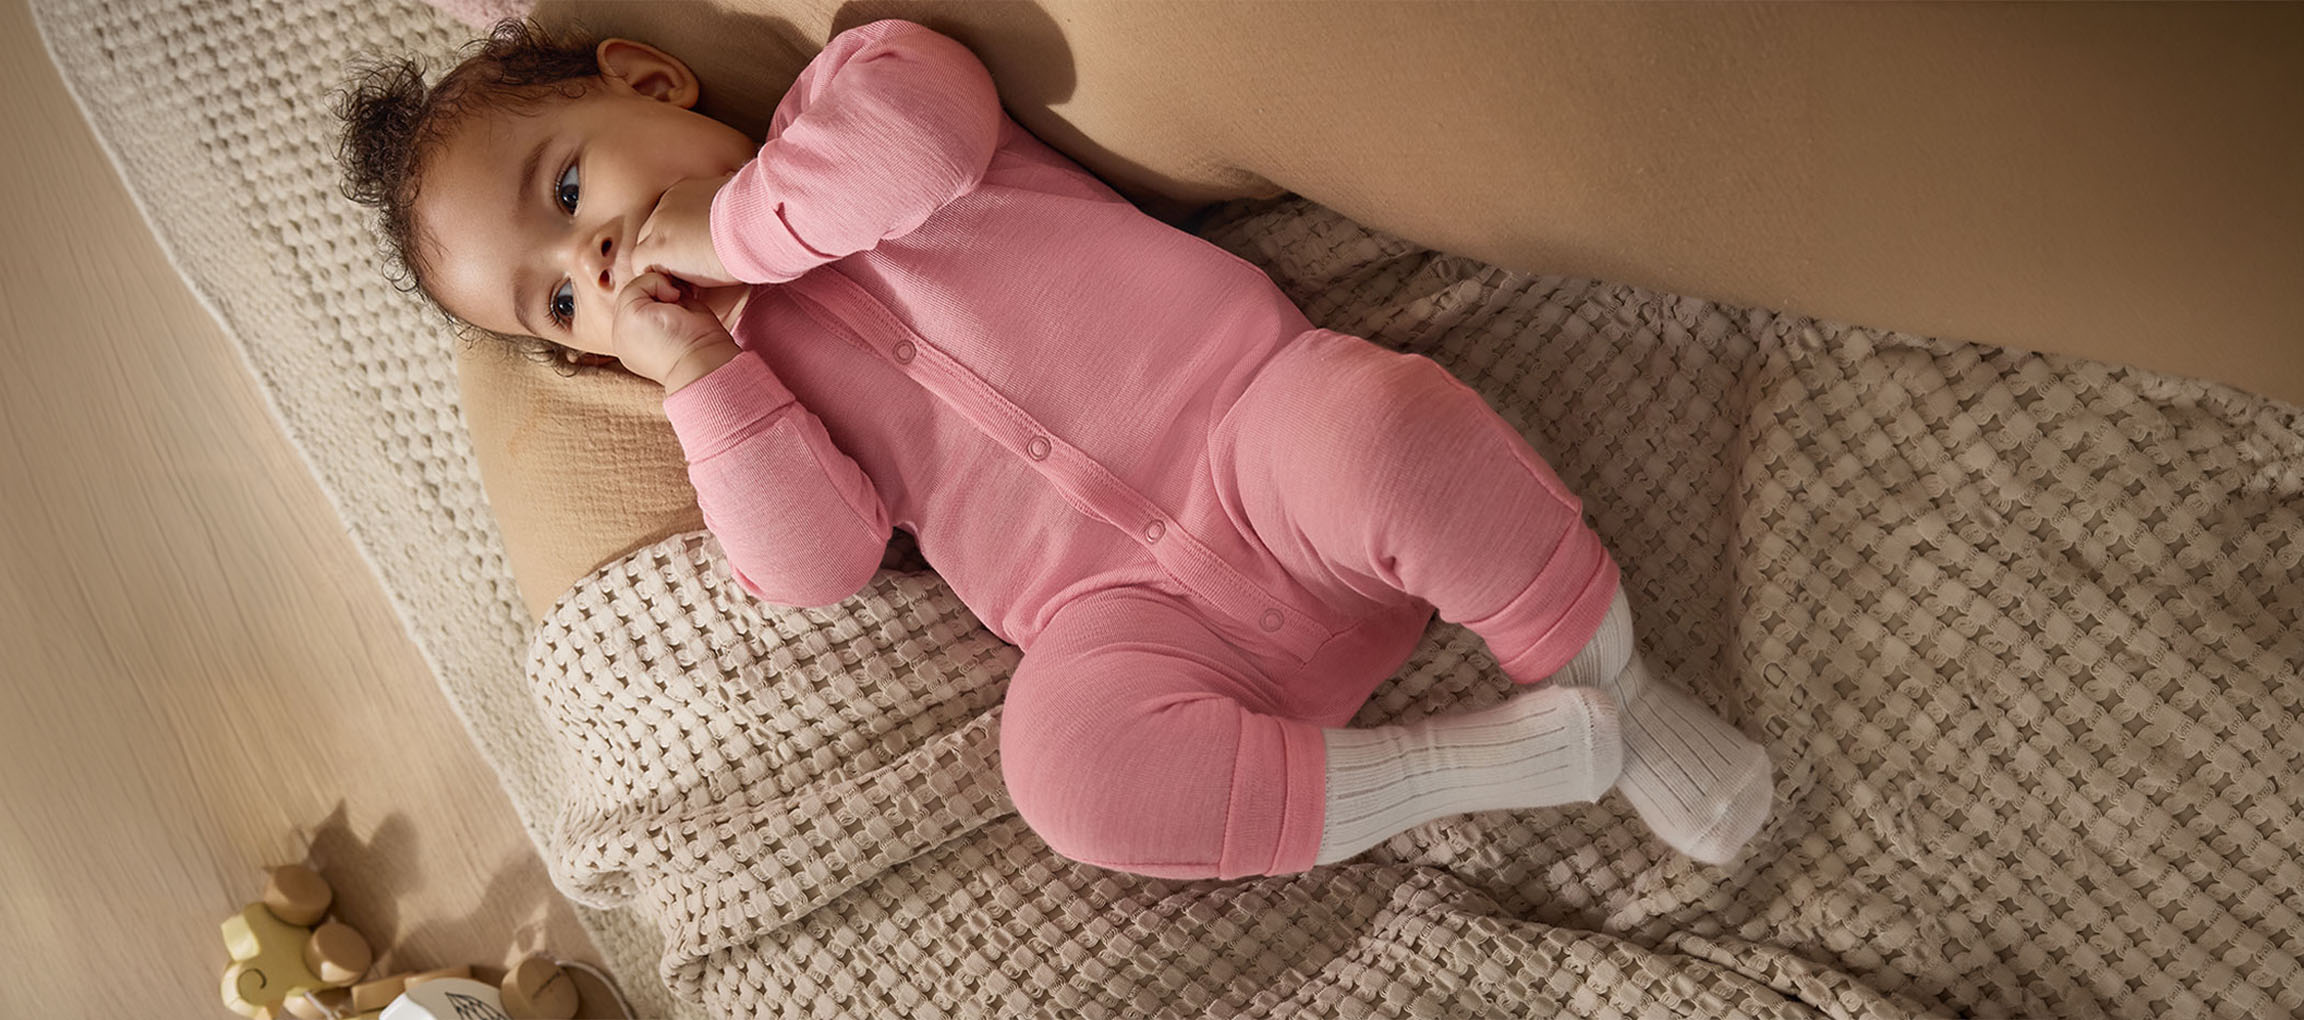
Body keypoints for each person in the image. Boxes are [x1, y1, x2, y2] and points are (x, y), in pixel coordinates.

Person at [335, 16, 1772, 880]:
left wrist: (722, 228)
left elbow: (926, 132)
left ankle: (1616, 691)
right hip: (1127, 624)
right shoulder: (736, 387)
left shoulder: (847, 108)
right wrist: (701, 372)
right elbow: (817, 562)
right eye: (562, 300)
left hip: (1252, 436)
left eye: (572, 187)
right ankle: (1476, 763)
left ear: (649, 82)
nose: (595, 254)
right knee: (1061, 775)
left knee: (1387, 425)